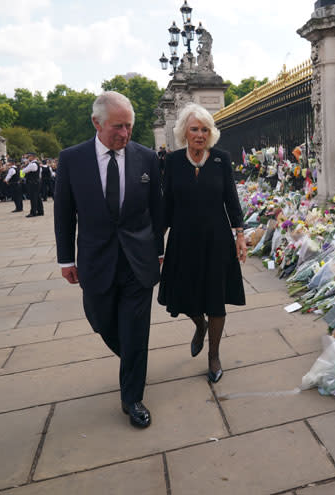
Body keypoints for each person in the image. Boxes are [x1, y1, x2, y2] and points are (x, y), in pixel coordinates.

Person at [54, 91, 163, 429]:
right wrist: (65, 259)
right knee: (101, 320)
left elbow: (157, 210)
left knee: (135, 331)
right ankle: (132, 360)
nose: (125, 134)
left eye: (129, 126)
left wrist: (158, 250)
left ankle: (132, 397)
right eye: (118, 127)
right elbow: (64, 212)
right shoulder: (72, 159)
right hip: (95, 259)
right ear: (96, 123)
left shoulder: (146, 158)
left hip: (138, 259)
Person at [157, 103, 247, 384]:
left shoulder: (220, 159)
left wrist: (240, 234)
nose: (199, 134)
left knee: (216, 298)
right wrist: (157, 240)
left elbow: (231, 198)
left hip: (217, 239)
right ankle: (199, 325)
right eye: (194, 128)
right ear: (184, 131)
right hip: (183, 239)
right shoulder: (171, 162)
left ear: (211, 133)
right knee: (184, 296)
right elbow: (167, 203)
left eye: (205, 129)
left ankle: (214, 355)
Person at [22, 152, 43, 217]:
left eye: (29, 156)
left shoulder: (32, 164)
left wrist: (26, 165)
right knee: (37, 197)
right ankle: (40, 211)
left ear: (33, 157)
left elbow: (23, 171)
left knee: (33, 198)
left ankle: (33, 212)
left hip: (33, 183)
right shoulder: (35, 164)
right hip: (36, 182)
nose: (28, 158)